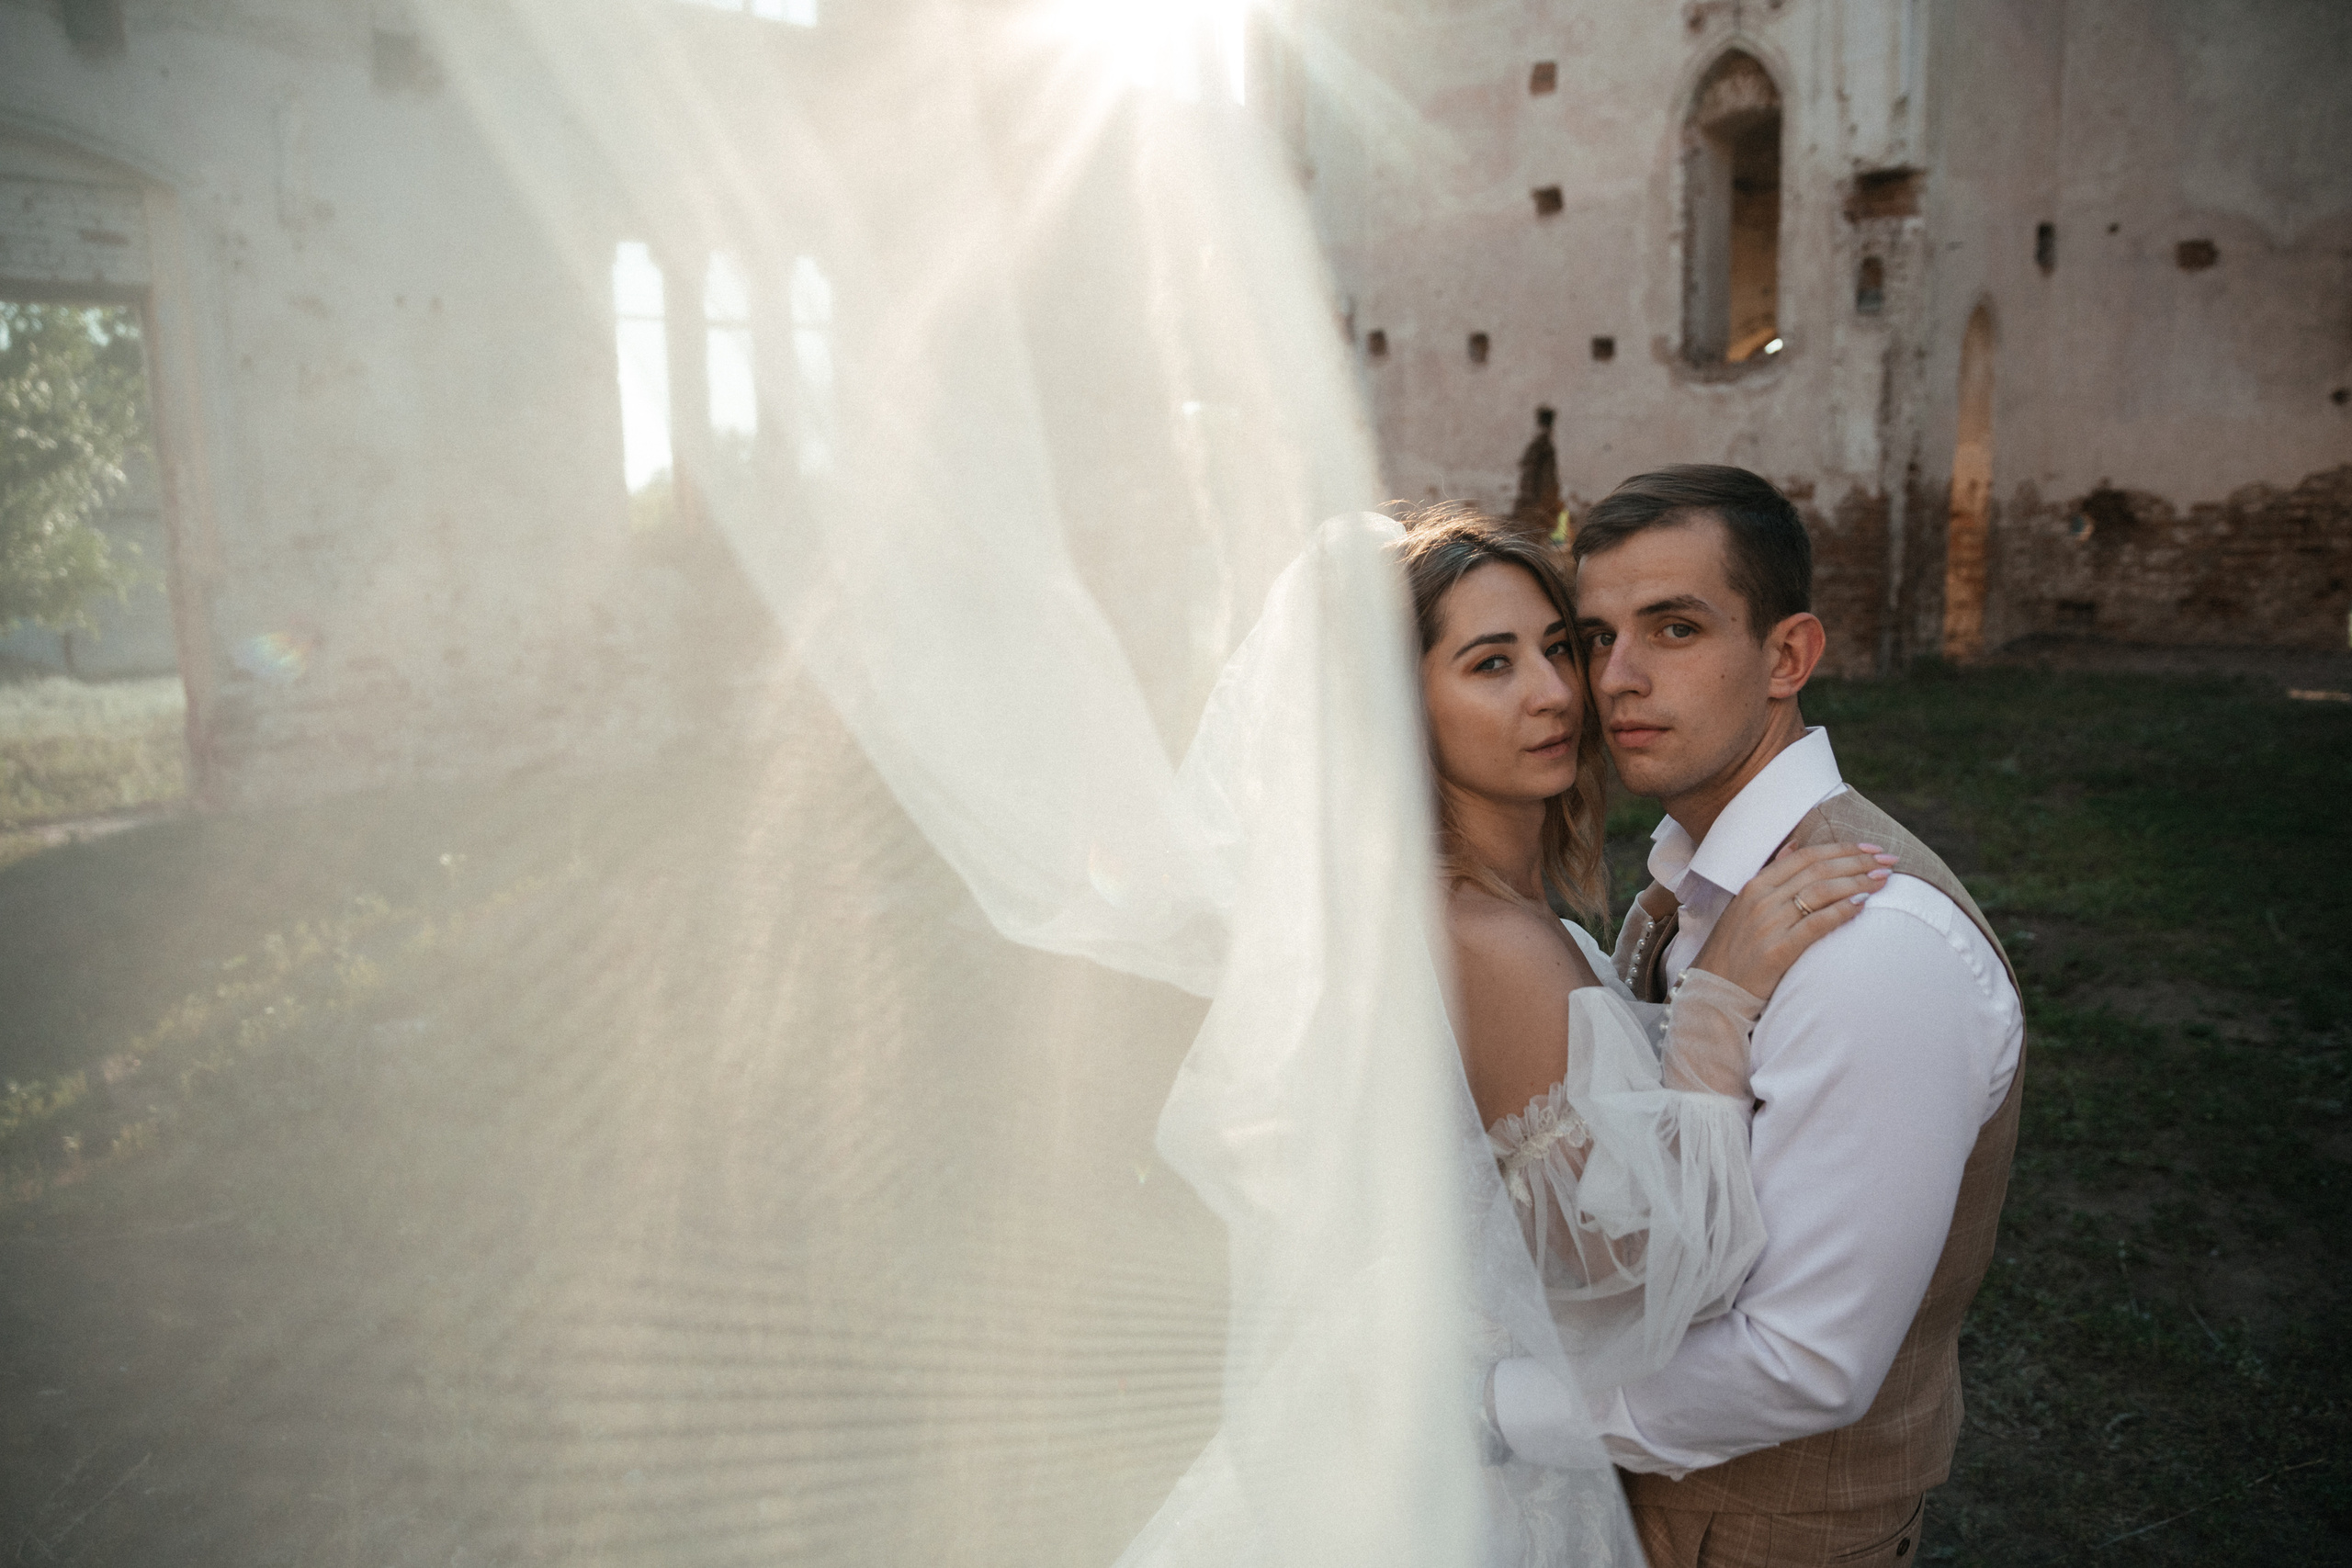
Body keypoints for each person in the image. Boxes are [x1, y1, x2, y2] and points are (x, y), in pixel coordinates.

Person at [1491, 467, 2026, 1567]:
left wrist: (1503, 1412)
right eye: (1593, 638)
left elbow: (1805, 1361)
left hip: (1768, 1532)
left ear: (1786, 658)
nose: (1616, 680)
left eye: (1674, 628)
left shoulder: (1869, 950)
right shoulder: (1690, 886)